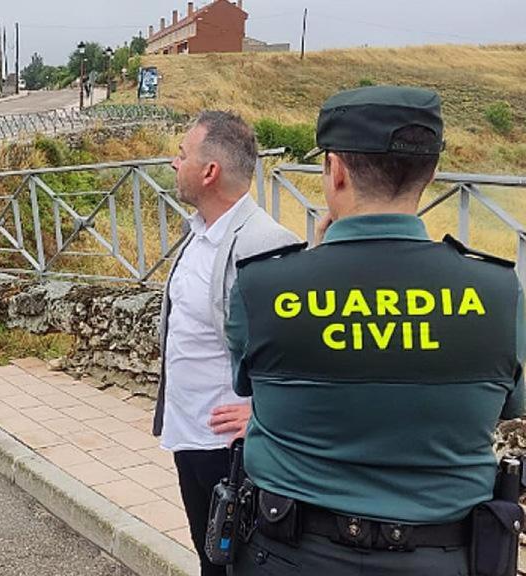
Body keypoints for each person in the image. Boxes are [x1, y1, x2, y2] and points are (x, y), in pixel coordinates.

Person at [227, 85, 524, 575]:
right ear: (429, 175)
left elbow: (251, 385)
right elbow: (509, 405)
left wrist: (318, 265)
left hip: (289, 555)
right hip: (447, 557)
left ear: (335, 171)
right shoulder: (499, 291)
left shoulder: (262, 287)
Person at [150, 111, 297, 576]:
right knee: (207, 554)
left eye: (182, 154)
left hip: (231, 448)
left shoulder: (265, 243)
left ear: (209, 171)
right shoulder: (200, 231)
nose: (175, 164)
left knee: (240, 563)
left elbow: (299, 349)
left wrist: (264, 412)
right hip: (189, 432)